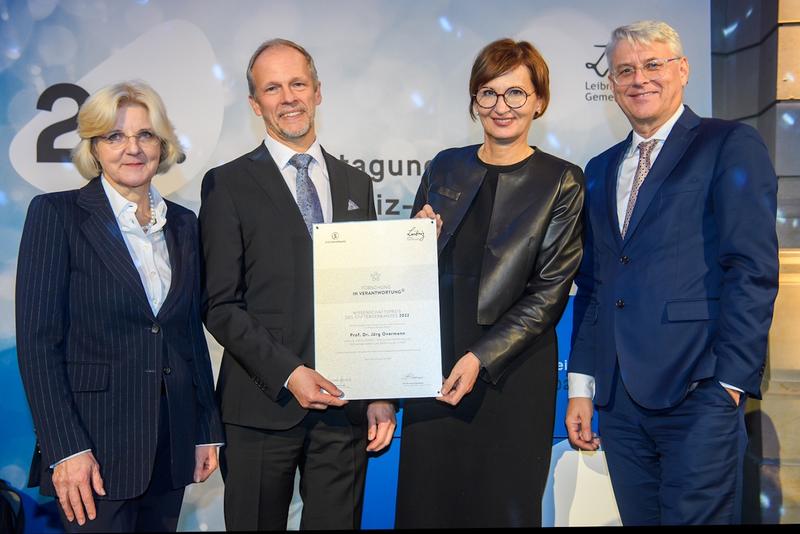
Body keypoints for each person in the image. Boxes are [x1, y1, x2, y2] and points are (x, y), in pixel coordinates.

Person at [566, 20, 779, 525]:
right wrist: (582, 387)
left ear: (682, 70)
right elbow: (595, 285)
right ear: (612, 84)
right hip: (619, 404)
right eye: (625, 70)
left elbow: (750, 269)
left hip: (700, 390)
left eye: (652, 65)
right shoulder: (598, 168)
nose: (639, 79)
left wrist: (731, 381)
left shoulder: (728, 144)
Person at [199, 38, 396, 531]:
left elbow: (367, 294)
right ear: (254, 104)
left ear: (317, 91)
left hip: (344, 407)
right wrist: (290, 372)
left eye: (297, 83)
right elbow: (220, 305)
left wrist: (378, 391)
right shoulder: (227, 183)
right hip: (263, 406)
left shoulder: (357, 183)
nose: (287, 97)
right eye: (272, 87)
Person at [15, 81, 224, 533]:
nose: (132, 148)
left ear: (162, 144)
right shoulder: (57, 215)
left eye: (145, 135)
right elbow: (37, 344)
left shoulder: (184, 224)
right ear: (94, 147)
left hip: (172, 443)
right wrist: (65, 449)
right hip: (94, 449)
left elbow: (188, 333)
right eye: (114, 136)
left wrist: (206, 427)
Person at [395, 38, 585, 528]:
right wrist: (416, 241)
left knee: (503, 507)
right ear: (474, 100)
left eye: (516, 94)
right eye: (488, 93)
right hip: (433, 368)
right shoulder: (444, 165)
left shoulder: (562, 180)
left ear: (539, 100)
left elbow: (549, 293)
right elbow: (409, 273)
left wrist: (481, 357)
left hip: (512, 371)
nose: (502, 107)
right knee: (427, 505)